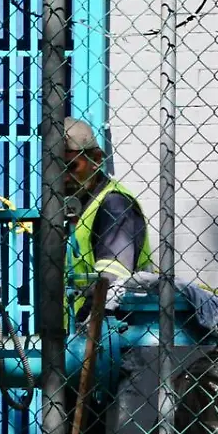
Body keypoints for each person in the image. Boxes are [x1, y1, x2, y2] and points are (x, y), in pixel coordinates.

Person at [60, 116, 153, 328]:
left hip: (112, 335)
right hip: (81, 339)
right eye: (55, 168)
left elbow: (110, 281)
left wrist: (81, 327)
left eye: (71, 167)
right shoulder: (75, 206)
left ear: (97, 160)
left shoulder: (115, 205)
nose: (63, 177)